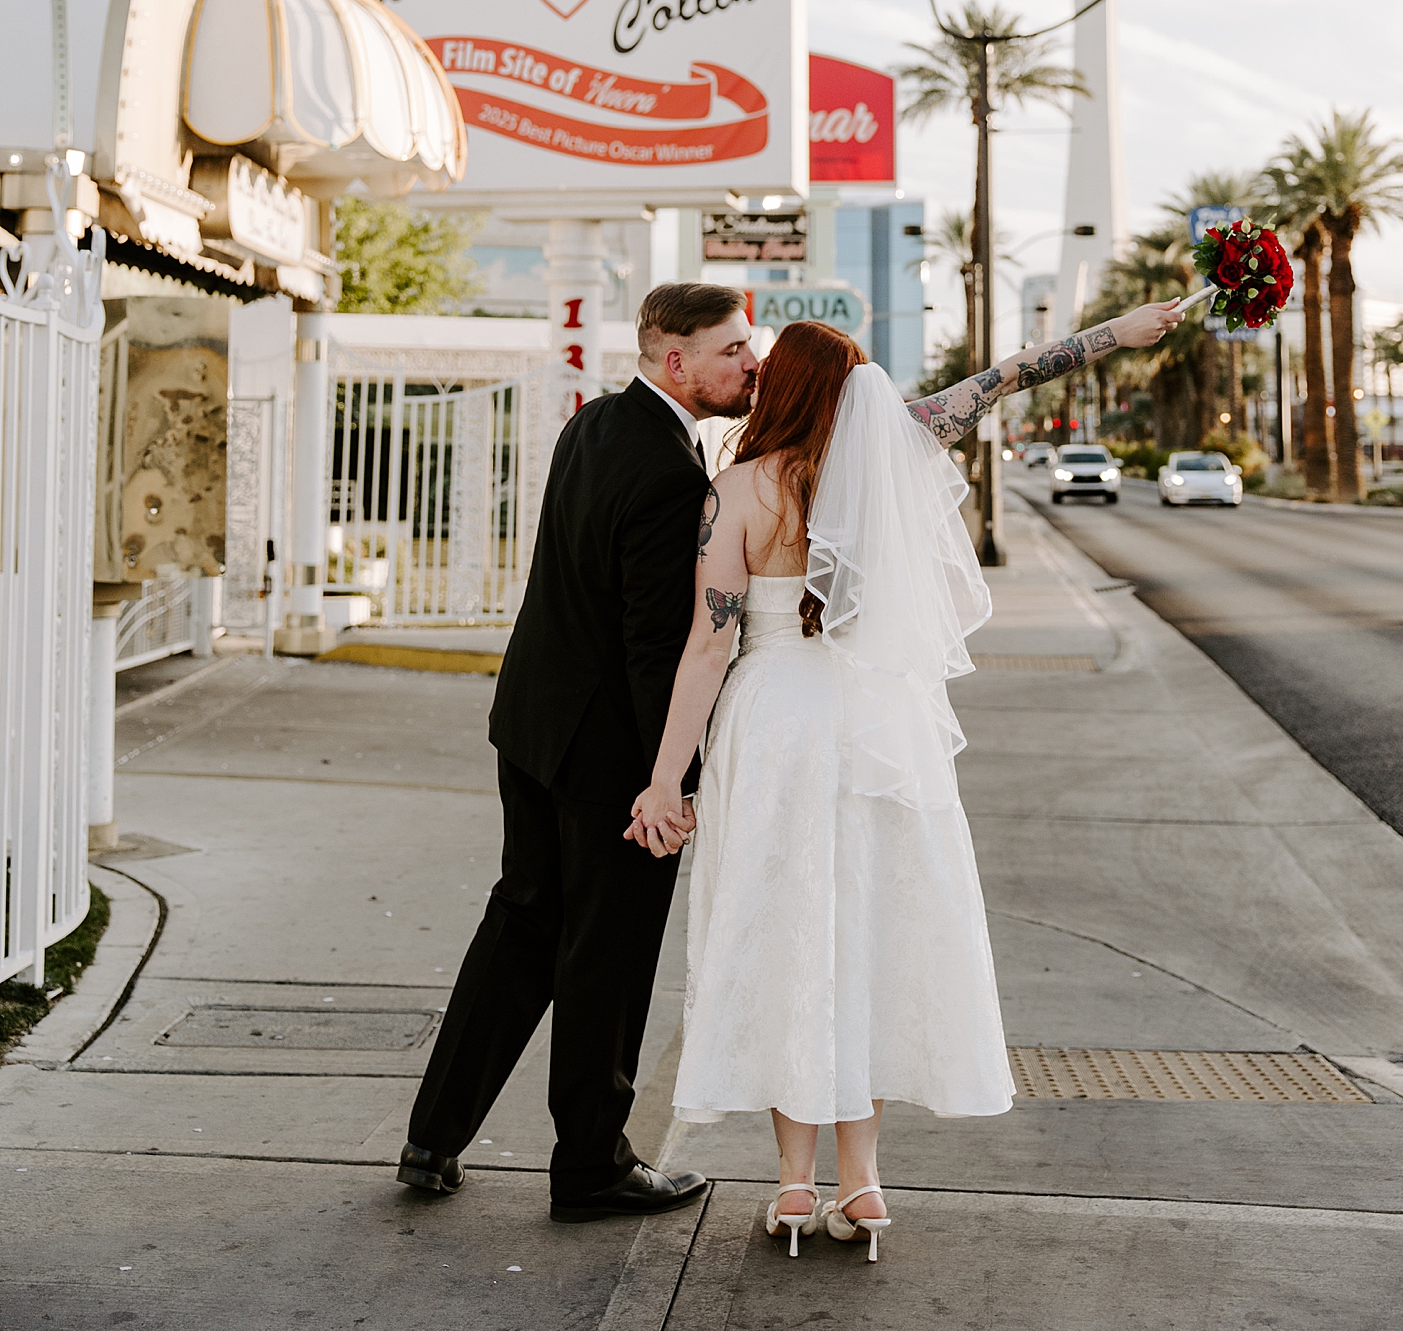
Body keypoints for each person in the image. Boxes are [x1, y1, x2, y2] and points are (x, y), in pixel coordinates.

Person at [627, 300, 1178, 1261]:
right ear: (857, 394)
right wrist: (1114, 335)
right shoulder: (893, 456)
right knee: (870, 932)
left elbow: (710, 642)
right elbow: (1009, 375)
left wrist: (667, 779)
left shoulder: (740, 489)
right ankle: (865, 1183)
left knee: (787, 935)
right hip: (880, 729)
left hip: (777, 726)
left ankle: (794, 1187)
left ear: (783, 387)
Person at [399, 282, 758, 1222]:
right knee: (608, 954)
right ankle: (591, 1167)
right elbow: (654, 645)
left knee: (521, 925)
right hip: (607, 758)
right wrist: (665, 783)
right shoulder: (675, 475)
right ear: (674, 359)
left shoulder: (593, 424)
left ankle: (432, 1137)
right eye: (731, 351)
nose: (749, 365)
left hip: (532, 725)